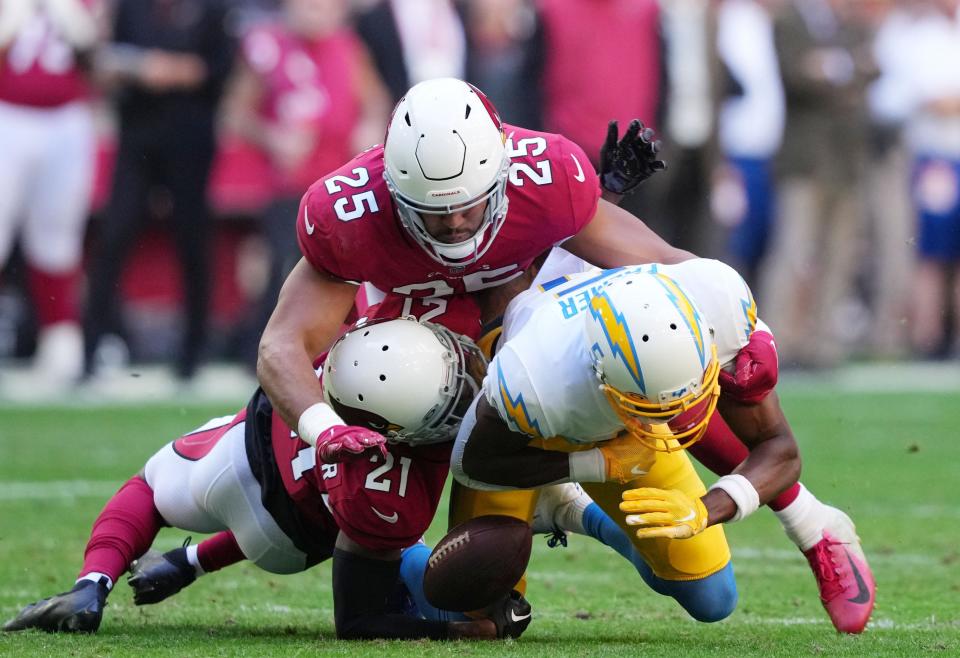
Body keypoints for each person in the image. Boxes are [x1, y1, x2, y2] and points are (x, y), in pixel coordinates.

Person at [255, 76, 874, 634]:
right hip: (447, 370)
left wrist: (717, 488)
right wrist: (325, 428)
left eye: (471, 203)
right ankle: (406, 525)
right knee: (469, 602)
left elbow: (686, 295)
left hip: (573, 368)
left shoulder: (701, 301)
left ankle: (814, 526)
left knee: (713, 596)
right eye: (436, 212)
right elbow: (477, 455)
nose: (456, 225)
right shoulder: (528, 378)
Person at [3, 316, 531, 640]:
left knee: (148, 489)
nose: (466, 390)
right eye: (448, 397)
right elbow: (358, 623)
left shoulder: (349, 358)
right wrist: (465, 631)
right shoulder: (388, 499)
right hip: (284, 541)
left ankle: (90, 586)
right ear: (395, 430)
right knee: (386, 546)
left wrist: (191, 559)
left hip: (243, 452)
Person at [451, 253, 875, 634]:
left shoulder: (718, 302)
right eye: (653, 407)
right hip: (541, 432)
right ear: (604, 379)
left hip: (611, 417)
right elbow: (472, 463)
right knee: (476, 611)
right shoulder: (535, 378)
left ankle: (568, 508)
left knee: (712, 598)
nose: (679, 419)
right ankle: (561, 496)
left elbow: (780, 449)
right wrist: (598, 464)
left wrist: (703, 510)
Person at [83, 0, 235, 380]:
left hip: (190, 136)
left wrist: (171, 70)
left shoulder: (213, 9)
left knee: (191, 239)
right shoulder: (131, 7)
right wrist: (132, 69)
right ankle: (92, 346)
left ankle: (192, 352)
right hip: (138, 133)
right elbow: (108, 62)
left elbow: (221, 69)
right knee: (114, 235)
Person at [0, 0, 102, 385]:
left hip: (66, 119)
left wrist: (78, 25)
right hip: (7, 113)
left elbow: (99, 59)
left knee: (57, 238)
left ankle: (61, 346)